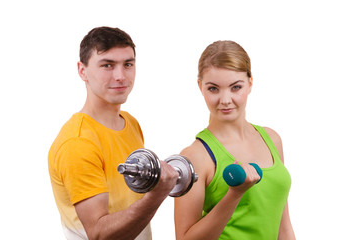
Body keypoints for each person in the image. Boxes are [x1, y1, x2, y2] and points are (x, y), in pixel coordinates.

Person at [48, 26, 179, 240]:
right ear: (82, 71)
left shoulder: (130, 123)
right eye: (107, 65)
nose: (120, 76)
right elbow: (99, 234)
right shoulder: (78, 142)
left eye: (128, 64)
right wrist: (157, 195)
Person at [174, 40, 296, 239]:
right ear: (200, 86)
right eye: (213, 88)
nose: (225, 99)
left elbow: (283, 224)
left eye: (235, 87)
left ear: (250, 83)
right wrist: (235, 194)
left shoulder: (272, 139)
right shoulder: (195, 156)